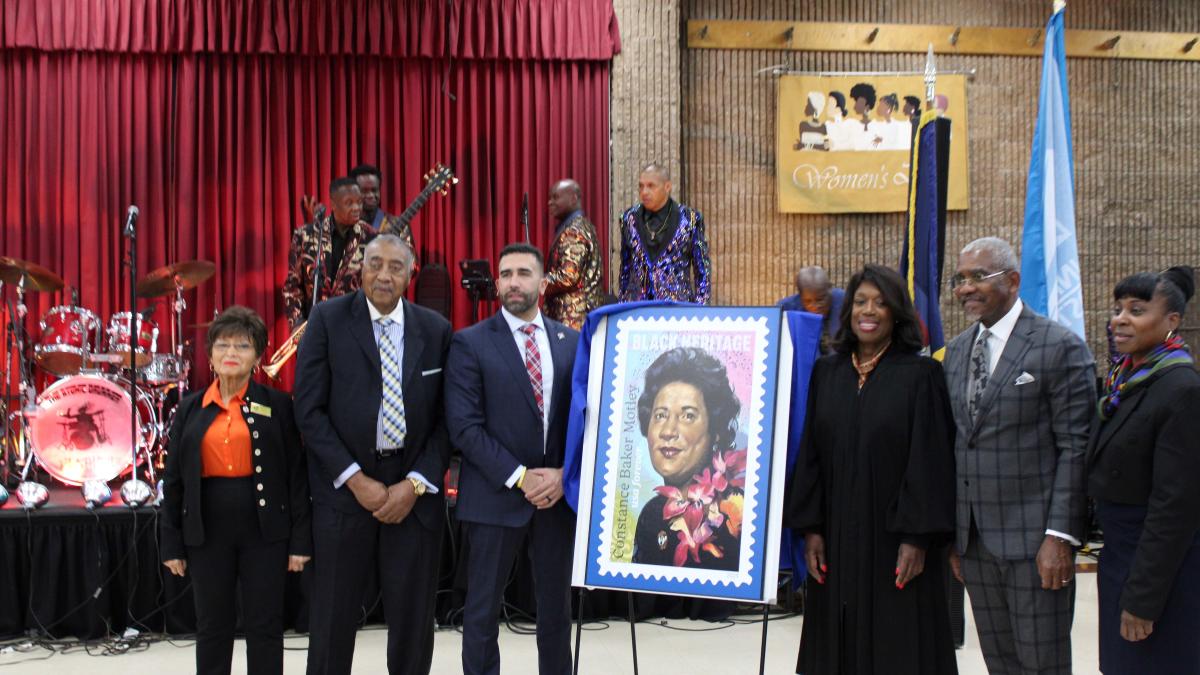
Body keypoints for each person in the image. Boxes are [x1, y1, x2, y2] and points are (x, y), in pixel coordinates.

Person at [785, 264, 958, 675]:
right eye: (861, 301)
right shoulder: (828, 373)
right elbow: (811, 453)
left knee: (898, 642)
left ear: (897, 312)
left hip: (895, 543)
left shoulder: (921, 375)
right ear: (847, 311)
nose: (869, 310)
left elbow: (930, 461)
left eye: (881, 303)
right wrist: (812, 529)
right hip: (838, 538)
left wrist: (917, 537)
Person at [293, 234, 452, 675]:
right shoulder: (326, 319)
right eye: (375, 264)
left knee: (414, 623)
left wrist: (415, 484)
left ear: (410, 273)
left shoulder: (435, 329)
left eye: (395, 267)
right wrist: (355, 479)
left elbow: (447, 419)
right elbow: (307, 409)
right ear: (360, 268)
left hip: (413, 494)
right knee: (332, 620)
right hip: (344, 492)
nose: (384, 275)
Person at [944, 237, 1095, 675]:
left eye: (978, 276)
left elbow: (1075, 447)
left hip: (1035, 544)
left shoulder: (1059, 346)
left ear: (1012, 280)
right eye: (960, 279)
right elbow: (959, 443)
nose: (966, 288)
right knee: (1001, 663)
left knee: (1042, 664)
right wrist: (956, 537)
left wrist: (1060, 537)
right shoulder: (955, 353)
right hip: (974, 543)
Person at [445, 242, 579, 675]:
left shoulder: (572, 343)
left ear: (543, 282)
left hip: (556, 501)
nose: (513, 281)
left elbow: (586, 423)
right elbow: (465, 427)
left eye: (524, 273)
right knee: (482, 614)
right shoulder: (469, 343)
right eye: (506, 274)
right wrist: (521, 477)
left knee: (556, 614)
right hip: (493, 498)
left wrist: (563, 475)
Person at [160, 306, 312, 675]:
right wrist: (171, 543)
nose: (231, 353)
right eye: (223, 345)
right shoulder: (189, 408)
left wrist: (300, 542)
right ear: (210, 354)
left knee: (264, 623)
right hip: (206, 531)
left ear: (257, 355)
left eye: (242, 346)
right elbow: (174, 480)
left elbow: (296, 475)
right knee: (212, 625)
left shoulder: (278, 405)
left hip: (266, 531)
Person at [1088, 266, 1200, 674]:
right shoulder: (1126, 378)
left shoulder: (1180, 389)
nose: (1120, 319)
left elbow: (1174, 509)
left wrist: (1142, 600)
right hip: (1121, 557)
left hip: (1158, 572)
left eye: (1137, 310)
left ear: (1172, 321)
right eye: (1118, 308)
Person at [631, 347, 743, 571]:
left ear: (716, 429)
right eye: (660, 415)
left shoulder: (736, 515)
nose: (668, 431)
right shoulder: (652, 514)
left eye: (688, 415)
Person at [283, 176, 376, 327]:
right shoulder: (306, 235)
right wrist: (297, 323)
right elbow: (292, 286)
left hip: (355, 327)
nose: (357, 208)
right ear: (333, 204)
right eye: (349, 203)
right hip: (315, 327)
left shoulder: (372, 237)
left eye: (359, 202)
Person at [618, 163, 711, 304]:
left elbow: (702, 269)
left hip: (677, 310)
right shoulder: (628, 218)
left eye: (651, 186)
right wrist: (622, 304)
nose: (644, 192)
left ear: (667, 187)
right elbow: (625, 267)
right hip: (637, 310)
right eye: (641, 186)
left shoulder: (690, 219)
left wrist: (700, 309)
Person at [543, 178, 602, 330]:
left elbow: (568, 276)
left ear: (573, 198)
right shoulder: (580, 225)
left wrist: (538, 282)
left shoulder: (574, 231)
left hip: (573, 320)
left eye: (555, 197)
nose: (550, 202)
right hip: (579, 318)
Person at [777, 265, 845, 354]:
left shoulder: (844, 301)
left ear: (830, 289)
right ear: (800, 296)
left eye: (820, 299)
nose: (815, 306)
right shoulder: (787, 309)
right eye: (808, 301)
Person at [348, 163, 416, 251]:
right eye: (364, 191)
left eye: (374, 190)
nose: (371, 195)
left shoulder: (398, 225)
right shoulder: (342, 227)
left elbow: (411, 262)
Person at [848, 82, 877, 150]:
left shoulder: (876, 125)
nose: (854, 106)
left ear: (867, 106)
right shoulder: (851, 124)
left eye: (858, 102)